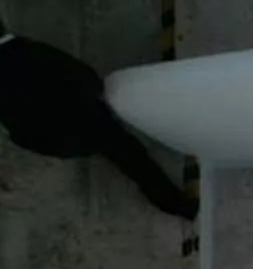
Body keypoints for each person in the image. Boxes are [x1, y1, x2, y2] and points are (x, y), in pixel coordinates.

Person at [0, 14, 193, 218]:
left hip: (52, 142)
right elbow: (83, 75)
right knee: (132, 156)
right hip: (83, 122)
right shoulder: (30, 52)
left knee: (125, 156)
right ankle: (179, 204)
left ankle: (181, 208)